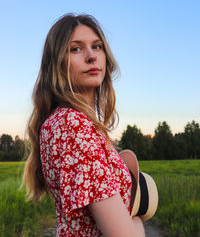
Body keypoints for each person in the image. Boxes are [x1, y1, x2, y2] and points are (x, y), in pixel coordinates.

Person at [23, 13, 145, 237]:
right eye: (76, 49)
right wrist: (137, 220)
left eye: (97, 47)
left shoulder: (59, 123)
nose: (91, 56)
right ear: (57, 63)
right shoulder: (72, 125)